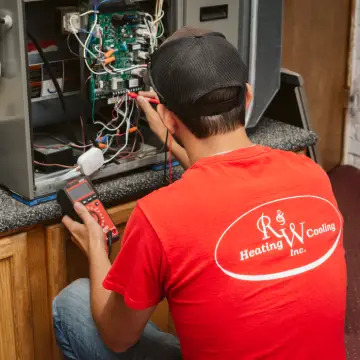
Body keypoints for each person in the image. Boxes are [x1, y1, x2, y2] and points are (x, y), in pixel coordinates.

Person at [53, 27, 346, 360]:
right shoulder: (312, 175)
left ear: (167, 116)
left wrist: (95, 247)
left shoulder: (160, 216)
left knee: (73, 304)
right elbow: (223, 179)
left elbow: (116, 336)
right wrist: (175, 139)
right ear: (247, 98)